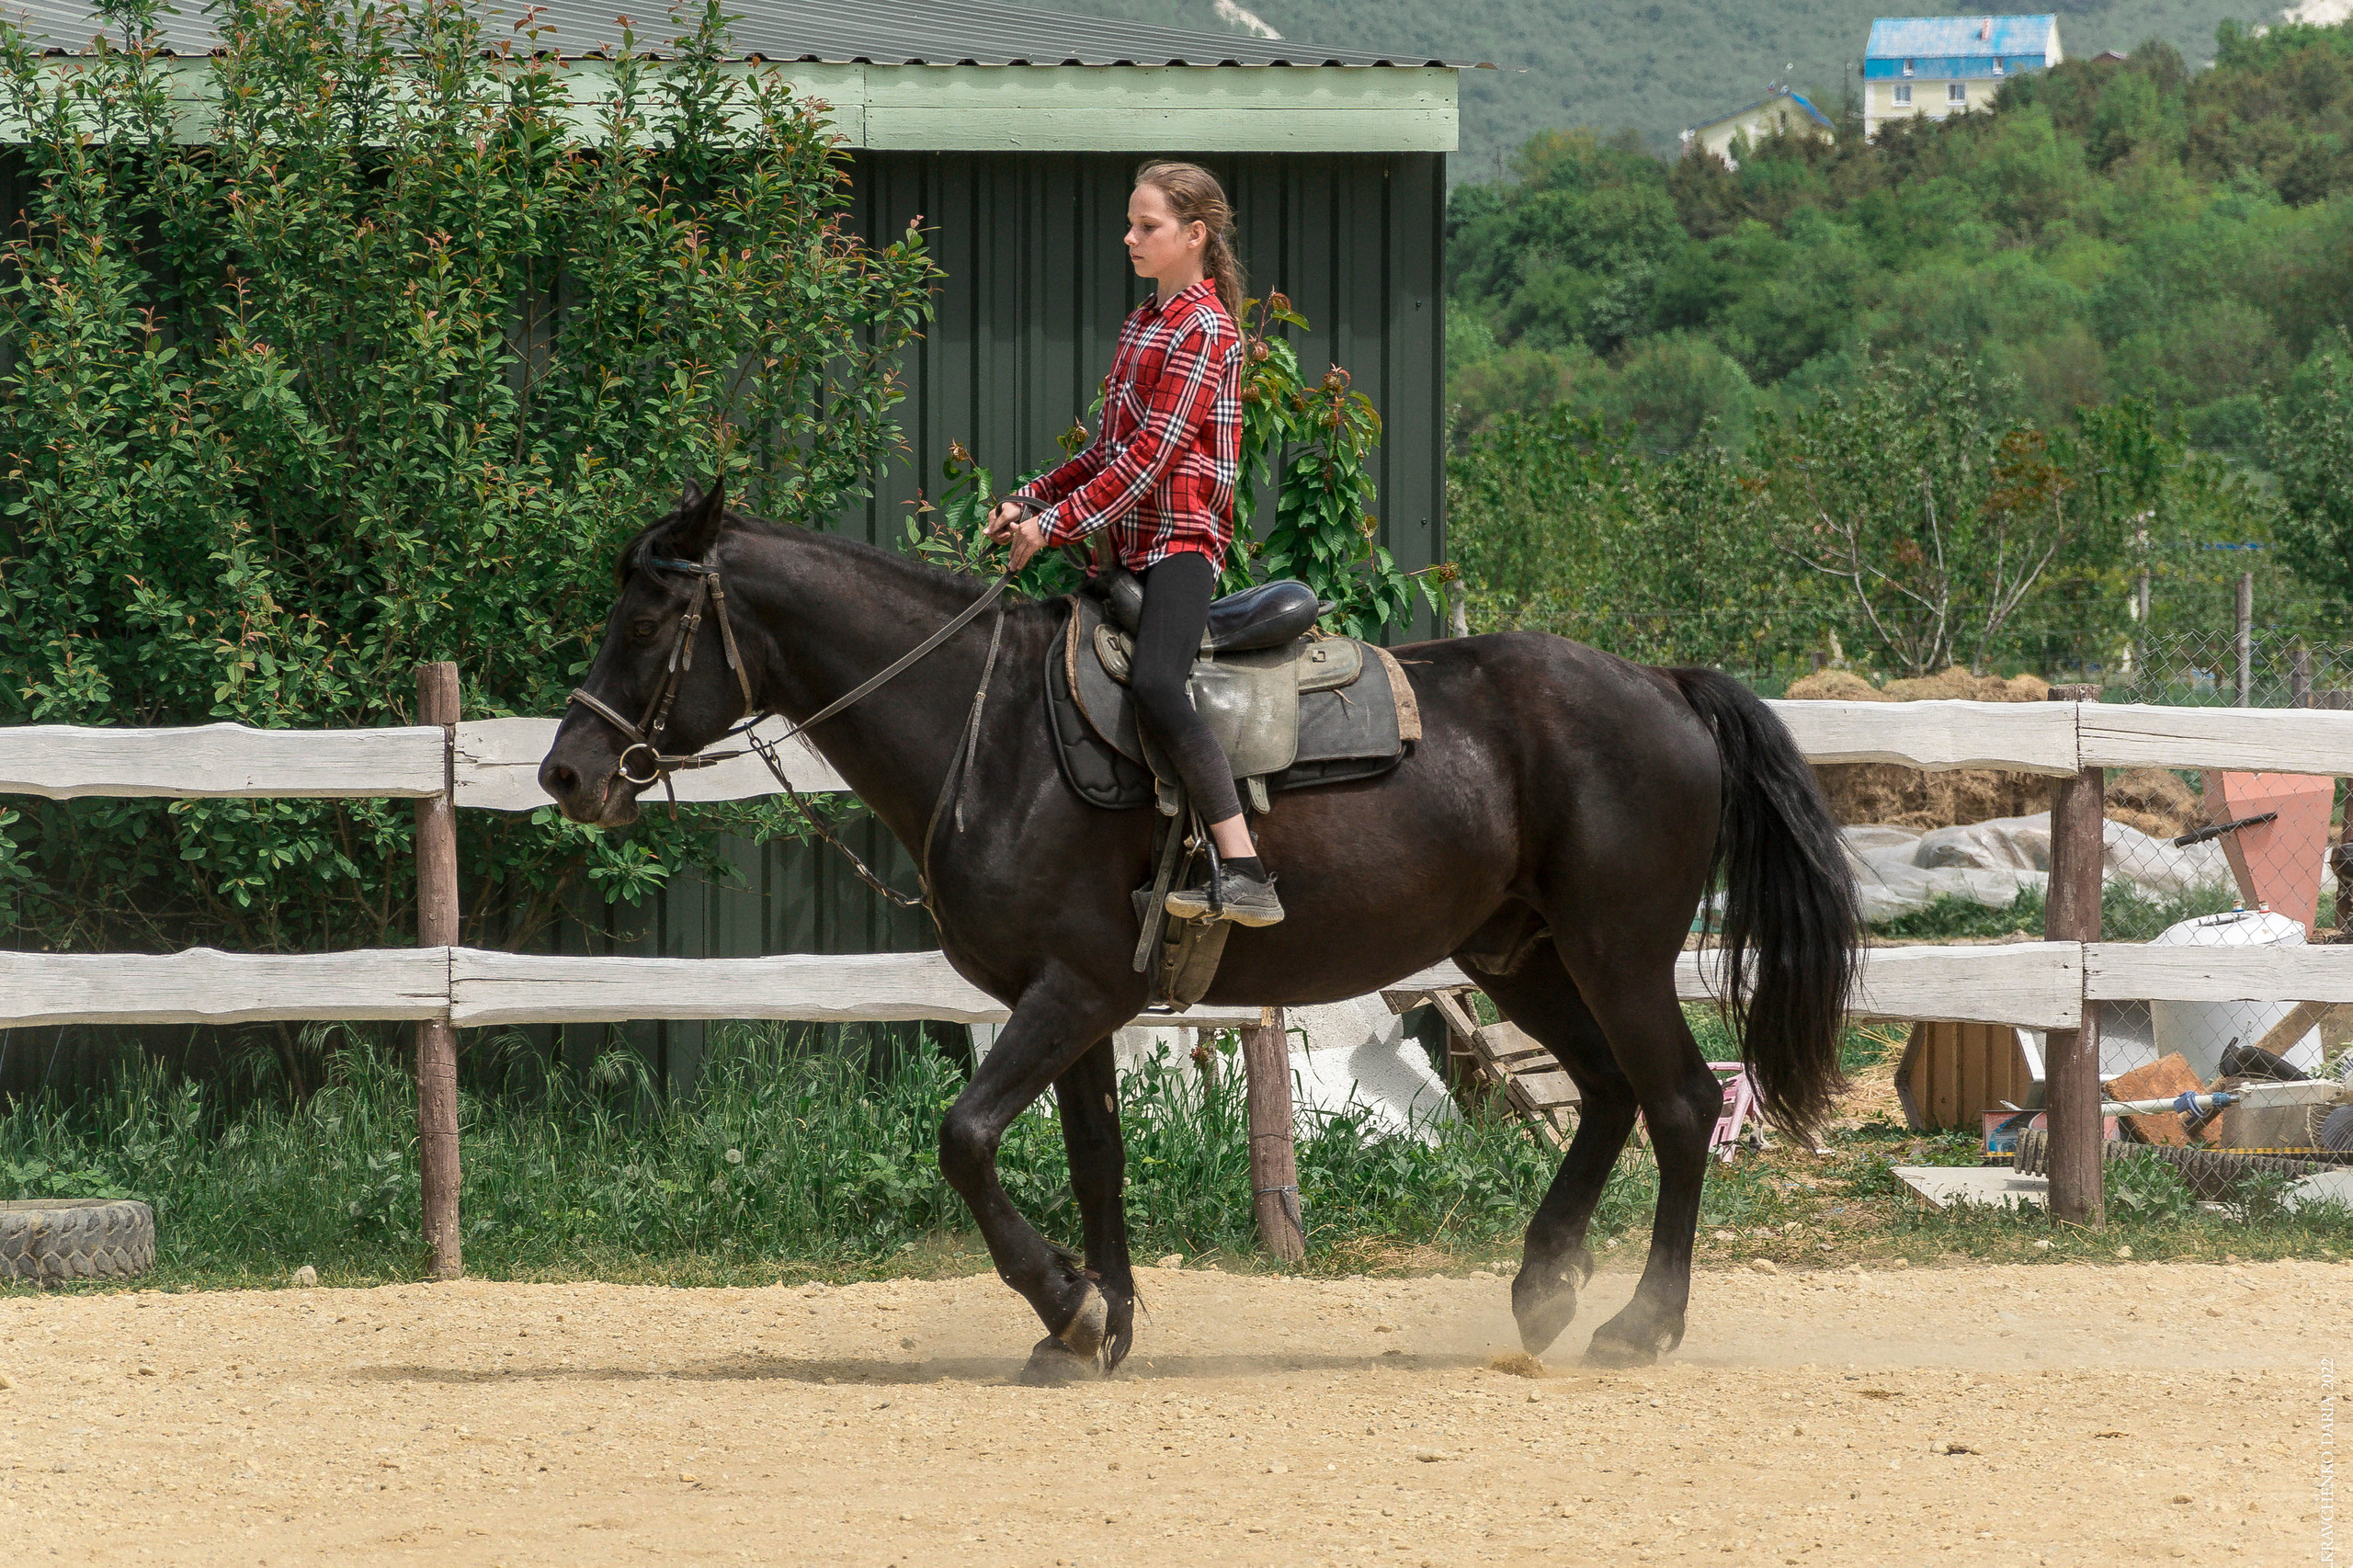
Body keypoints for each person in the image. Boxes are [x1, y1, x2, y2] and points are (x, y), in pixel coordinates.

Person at [985, 161, 1281, 927]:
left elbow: (1152, 456)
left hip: (1182, 545)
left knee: (1156, 684)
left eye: (1147, 226)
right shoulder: (1143, 322)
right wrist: (1031, 494)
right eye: (1131, 222)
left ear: (1195, 235)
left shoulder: (1206, 328)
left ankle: (1245, 867)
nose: (1130, 237)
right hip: (1124, 549)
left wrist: (1051, 526)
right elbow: (1109, 450)